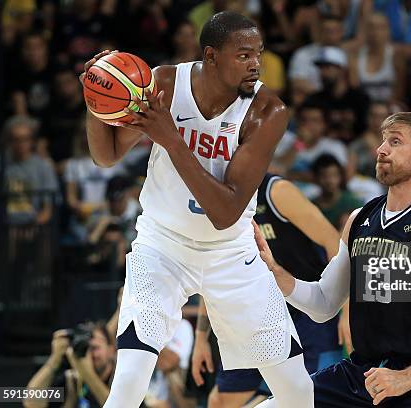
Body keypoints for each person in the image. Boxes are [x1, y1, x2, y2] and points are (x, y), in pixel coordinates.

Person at [81, 11, 313, 408]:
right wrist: (97, 96)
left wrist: (173, 141)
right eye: (243, 55)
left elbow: (225, 213)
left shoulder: (267, 111)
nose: (255, 63)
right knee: (129, 383)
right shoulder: (166, 85)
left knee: (299, 397)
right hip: (162, 245)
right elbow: (106, 155)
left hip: (231, 252)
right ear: (211, 55)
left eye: (258, 53)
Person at [255, 112, 411, 407]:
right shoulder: (359, 219)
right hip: (364, 375)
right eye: (382, 141)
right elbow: (325, 303)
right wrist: (279, 275)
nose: (381, 149)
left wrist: (407, 377)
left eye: (395, 141)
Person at [192, 174, 342, 408]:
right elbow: (214, 271)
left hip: (303, 309)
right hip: (253, 311)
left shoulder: (276, 192)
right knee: (219, 402)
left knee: (301, 398)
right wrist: (201, 338)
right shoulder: (216, 200)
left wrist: (348, 307)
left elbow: (333, 241)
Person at [24, 322, 116, 408]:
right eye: (85, 348)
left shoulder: (120, 377)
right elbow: (32, 402)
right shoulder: (72, 379)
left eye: (94, 348)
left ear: (112, 351)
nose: (89, 355)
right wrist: (55, 358)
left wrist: (87, 373)